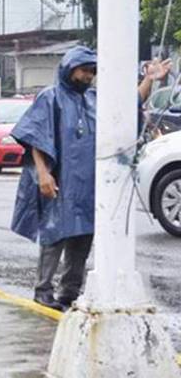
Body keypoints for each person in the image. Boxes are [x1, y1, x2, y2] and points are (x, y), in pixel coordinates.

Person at [10, 46, 170, 311]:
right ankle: (43, 290)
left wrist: (149, 80)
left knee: (83, 235)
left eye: (92, 72)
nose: (88, 76)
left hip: (89, 183)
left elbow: (131, 105)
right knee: (54, 234)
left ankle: (68, 293)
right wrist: (43, 174)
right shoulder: (50, 98)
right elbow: (36, 137)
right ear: (70, 68)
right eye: (84, 70)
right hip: (61, 179)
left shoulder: (95, 99)